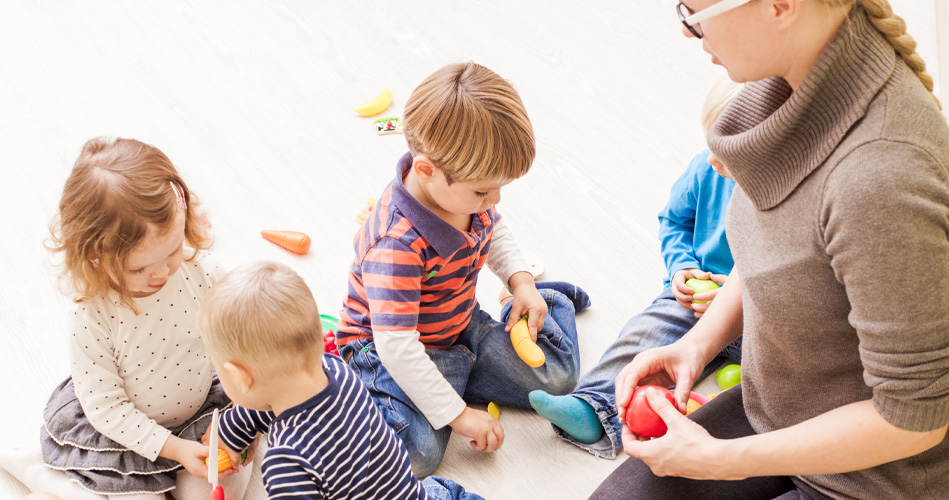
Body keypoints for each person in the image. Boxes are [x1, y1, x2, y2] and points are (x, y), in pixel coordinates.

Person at [591, 1, 949, 499]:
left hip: (872, 480)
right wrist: (697, 342)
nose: (688, 32)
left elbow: (916, 417)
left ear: (782, 5)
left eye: (694, 12)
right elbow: (781, 249)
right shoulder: (785, 82)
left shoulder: (880, 177)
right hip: (778, 411)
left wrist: (719, 461)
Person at [335, 61, 591, 477]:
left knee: (558, 379)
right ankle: (361, 395)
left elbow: (494, 230)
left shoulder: (467, 200)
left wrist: (520, 281)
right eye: (484, 190)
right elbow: (398, 347)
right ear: (426, 170)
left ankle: (544, 300)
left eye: (499, 188)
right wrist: (457, 415)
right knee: (414, 456)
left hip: (457, 323)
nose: (495, 200)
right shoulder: (395, 246)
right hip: (390, 349)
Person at [0, 137, 252, 500]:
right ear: (94, 257)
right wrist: (175, 450)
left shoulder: (202, 271)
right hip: (125, 436)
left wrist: (242, 419)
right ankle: (41, 471)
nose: (162, 272)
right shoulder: (93, 315)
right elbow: (108, 409)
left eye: (172, 250)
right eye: (139, 268)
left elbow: (235, 346)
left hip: (198, 414)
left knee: (218, 488)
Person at [529, 77, 744, 458]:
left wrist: (736, 296)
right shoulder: (706, 170)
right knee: (645, 334)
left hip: (763, 318)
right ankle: (593, 405)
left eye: (726, 151)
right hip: (694, 298)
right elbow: (675, 222)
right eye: (710, 144)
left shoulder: (792, 197)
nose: (712, 160)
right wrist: (682, 268)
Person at [199, 260, 485, 500]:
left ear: (238, 376)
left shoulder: (286, 463)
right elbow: (264, 401)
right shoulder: (335, 369)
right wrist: (229, 431)